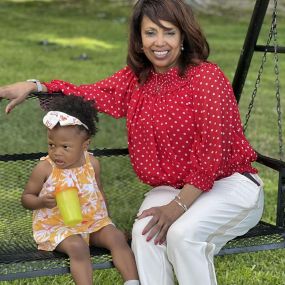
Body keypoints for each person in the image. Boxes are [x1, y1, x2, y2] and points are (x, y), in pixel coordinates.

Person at [0, 0, 264, 284]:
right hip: (172, 186)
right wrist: (36, 86)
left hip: (229, 183)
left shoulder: (206, 77)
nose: (159, 42)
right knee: (145, 235)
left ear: (184, 36)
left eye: (169, 32)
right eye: (150, 33)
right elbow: (89, 94)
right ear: (139, 40)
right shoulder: (137, 80)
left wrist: (176, 207)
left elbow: (212, 151)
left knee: (182, 235)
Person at [20, 94, 140, 285]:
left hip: (92, 222)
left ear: (85, 145)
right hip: (58, 227)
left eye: (65, 147)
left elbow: (98, 192)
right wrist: (41, 201)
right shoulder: (45, 168)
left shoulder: (92, 163)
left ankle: (132, 282)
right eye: (52, 145)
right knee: (78, 247)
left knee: (116, 237)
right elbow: (26, 198)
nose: (56, 152)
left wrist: (106, 221)